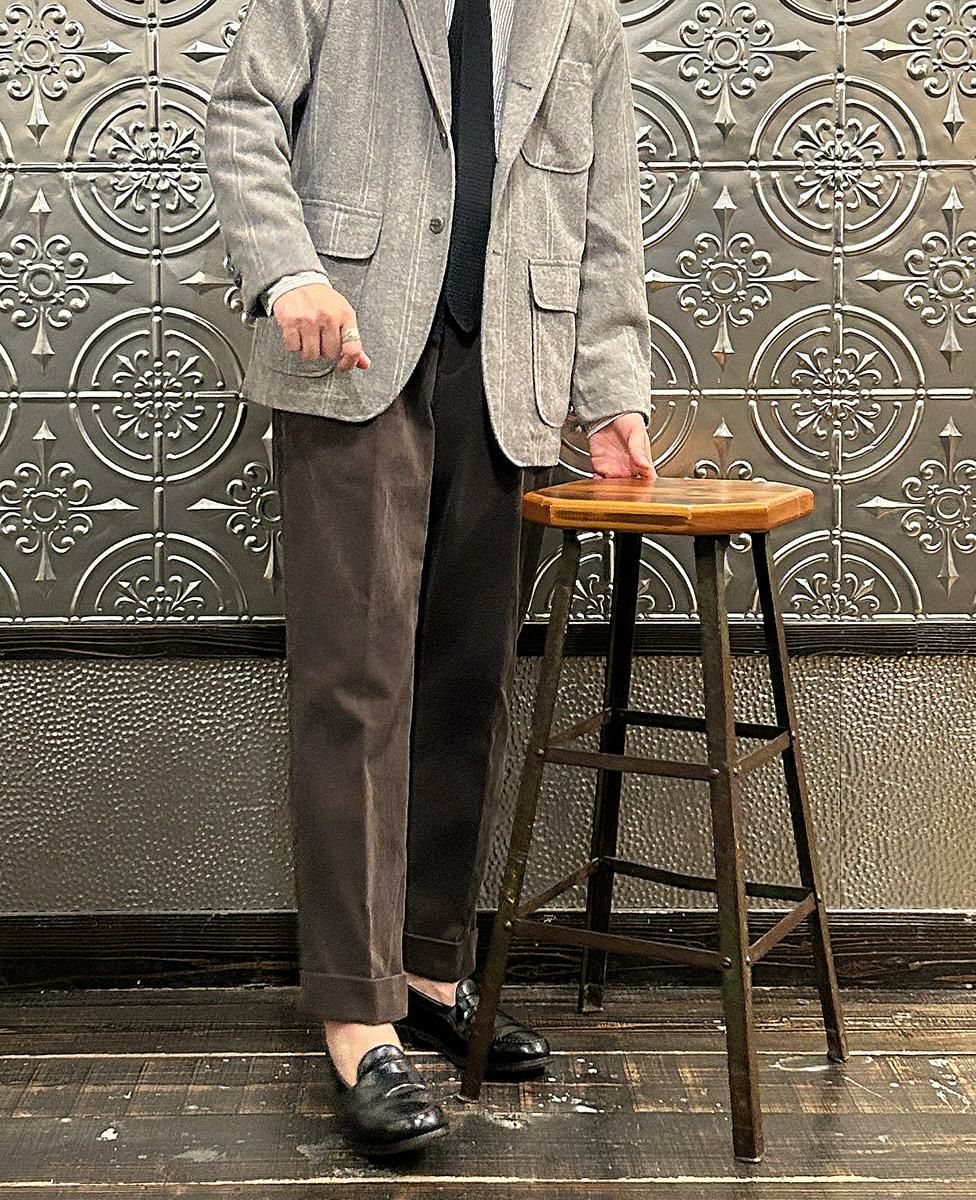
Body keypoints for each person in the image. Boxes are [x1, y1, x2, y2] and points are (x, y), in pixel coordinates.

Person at [205, 0, 656, 1158]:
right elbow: (244, 113)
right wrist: (287, 272)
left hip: (514, 364)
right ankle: (357, 1018)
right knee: (356, 686)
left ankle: (424, 970)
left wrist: (614, 393)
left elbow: (605, 211)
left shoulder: (584, 14)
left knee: (467, 681)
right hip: (350, 352)